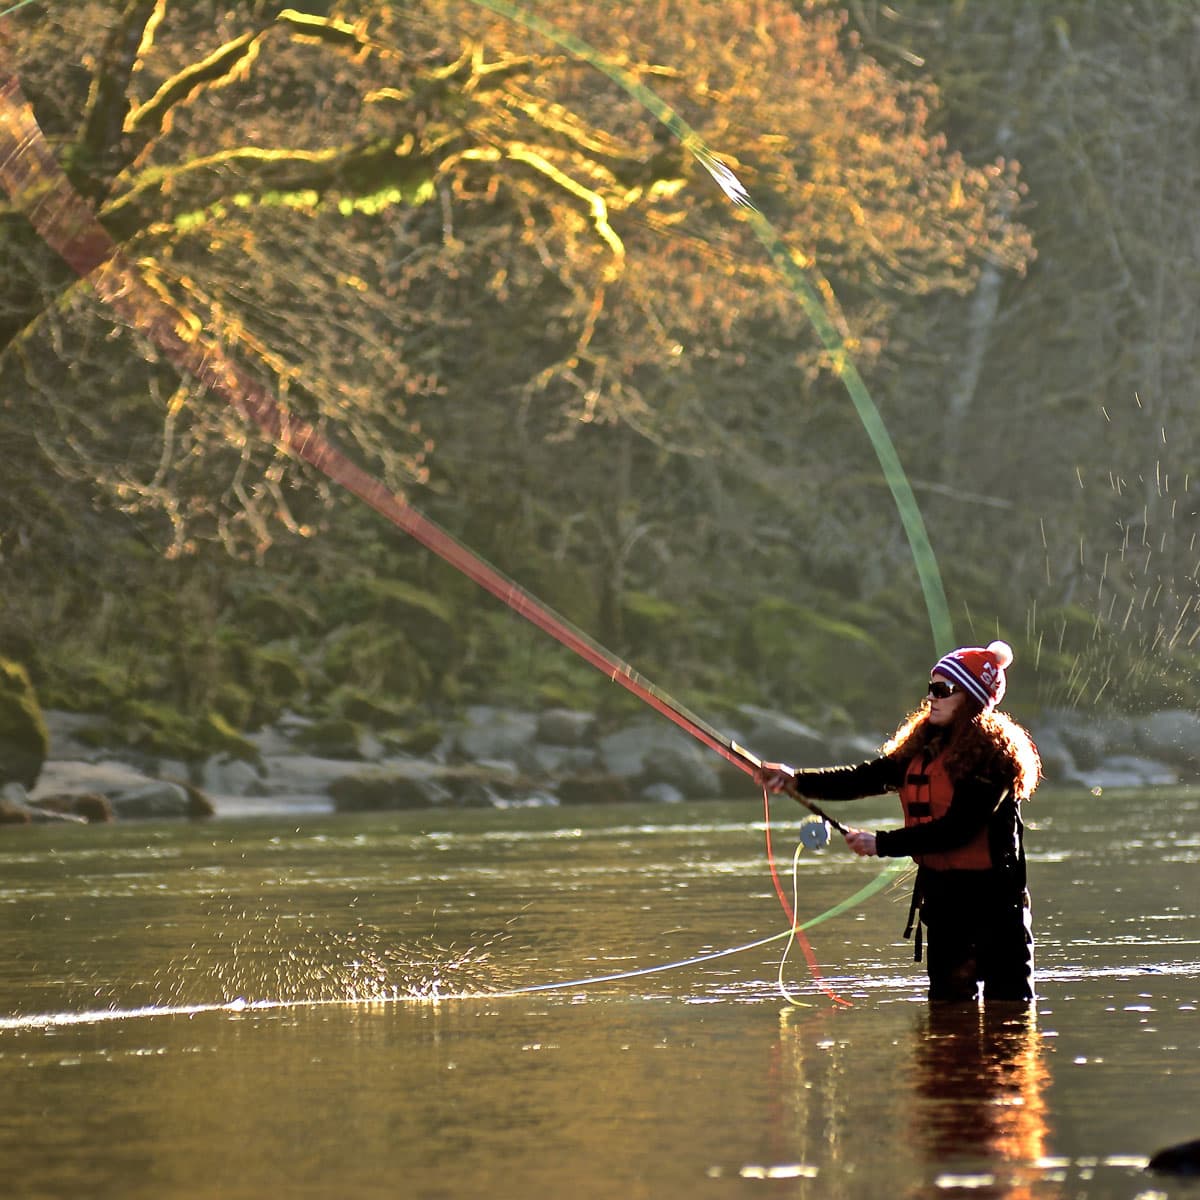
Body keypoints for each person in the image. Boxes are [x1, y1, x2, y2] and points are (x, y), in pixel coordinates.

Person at [759, 640, 1041, 1003]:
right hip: (942, 902)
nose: (932, 698)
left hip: (995, 906)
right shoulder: (920, 749)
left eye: (943, 690)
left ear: (971, 698)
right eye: (931, 689)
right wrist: (795, 779)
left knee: (1010, 1016)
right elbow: (861, 779)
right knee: (948, 1014)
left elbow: (959, 829)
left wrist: (882, 843)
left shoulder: (996, 758)